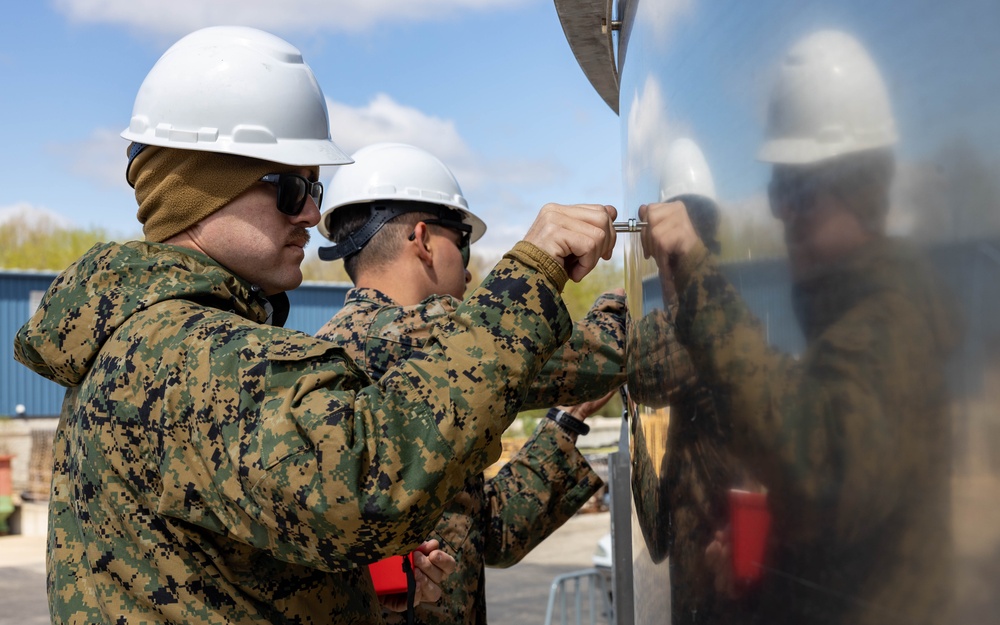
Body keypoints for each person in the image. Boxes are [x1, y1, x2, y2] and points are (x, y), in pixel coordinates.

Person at [12, 26, 618, 625]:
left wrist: (356, 595)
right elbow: (369, 479)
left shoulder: (159, 338)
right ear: (201, 191)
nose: (310, 212)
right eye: (291, 188)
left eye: (315, 188)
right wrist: (530, 276)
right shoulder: (181, 351)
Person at [638, 30, 959, 624]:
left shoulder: (891, 320)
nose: (781, 208)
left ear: (863, 186)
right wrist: (779, 552)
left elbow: (817, 468)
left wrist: (697, 279)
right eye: (777, 188)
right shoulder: (856, 323)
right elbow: (855, 505)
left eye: (796, 189)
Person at [313, 142, 626, 625]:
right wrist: (623, 304)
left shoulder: (323, 353)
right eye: (463, 242)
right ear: (421, 239)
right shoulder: (440, 337)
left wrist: (566, 422)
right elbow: (604, 355)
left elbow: (485, 535)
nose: (470, 268)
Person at [626, 138, 753, 624]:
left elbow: (640, 371)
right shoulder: (714, 318)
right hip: (697, 567)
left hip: (722, 572)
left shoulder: (708, 328)